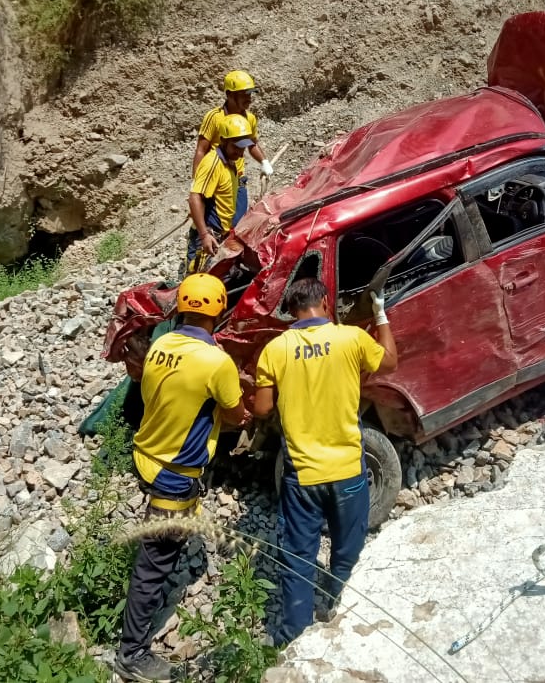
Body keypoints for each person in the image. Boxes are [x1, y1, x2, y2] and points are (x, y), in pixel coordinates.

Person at [252, 278, 397, 645]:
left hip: (302, 475)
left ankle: (295, 637)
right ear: (326, 304)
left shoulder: (276, 349)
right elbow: (390, 362)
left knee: (299, 556)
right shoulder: (351, 339)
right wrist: (380, 314)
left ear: (292, 311)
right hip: (349, 470)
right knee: (348, 549)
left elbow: (263, 408)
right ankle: (339, 608)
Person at [116, 273, 246, 683]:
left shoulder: (160, 347)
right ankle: (131, 653)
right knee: (154, 563)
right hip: (175, 474)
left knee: (163, 544)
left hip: (148, 458)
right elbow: (237, 414)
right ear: (219, 311)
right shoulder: (216, 361)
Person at [193, 70, 273, 226]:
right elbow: (201, 150)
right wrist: (197, 183)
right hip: (217, 182)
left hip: (238, 179)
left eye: (250, 95)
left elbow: (252, 144)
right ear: (230, 95)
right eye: (244, 95)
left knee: (238, 223)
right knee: (214, 225)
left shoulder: (249, 118)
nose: (249, 99)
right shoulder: (214, 117)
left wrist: (264, 162)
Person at [185, 114, 255, 275]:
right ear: (224, 141)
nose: (240, 152)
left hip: (220, 234)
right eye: (236, 147)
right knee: (196, 284)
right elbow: (195, 196)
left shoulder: (231, 162)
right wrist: (204, 235)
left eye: (243, 147)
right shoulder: (213, 163)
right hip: (208, 236)